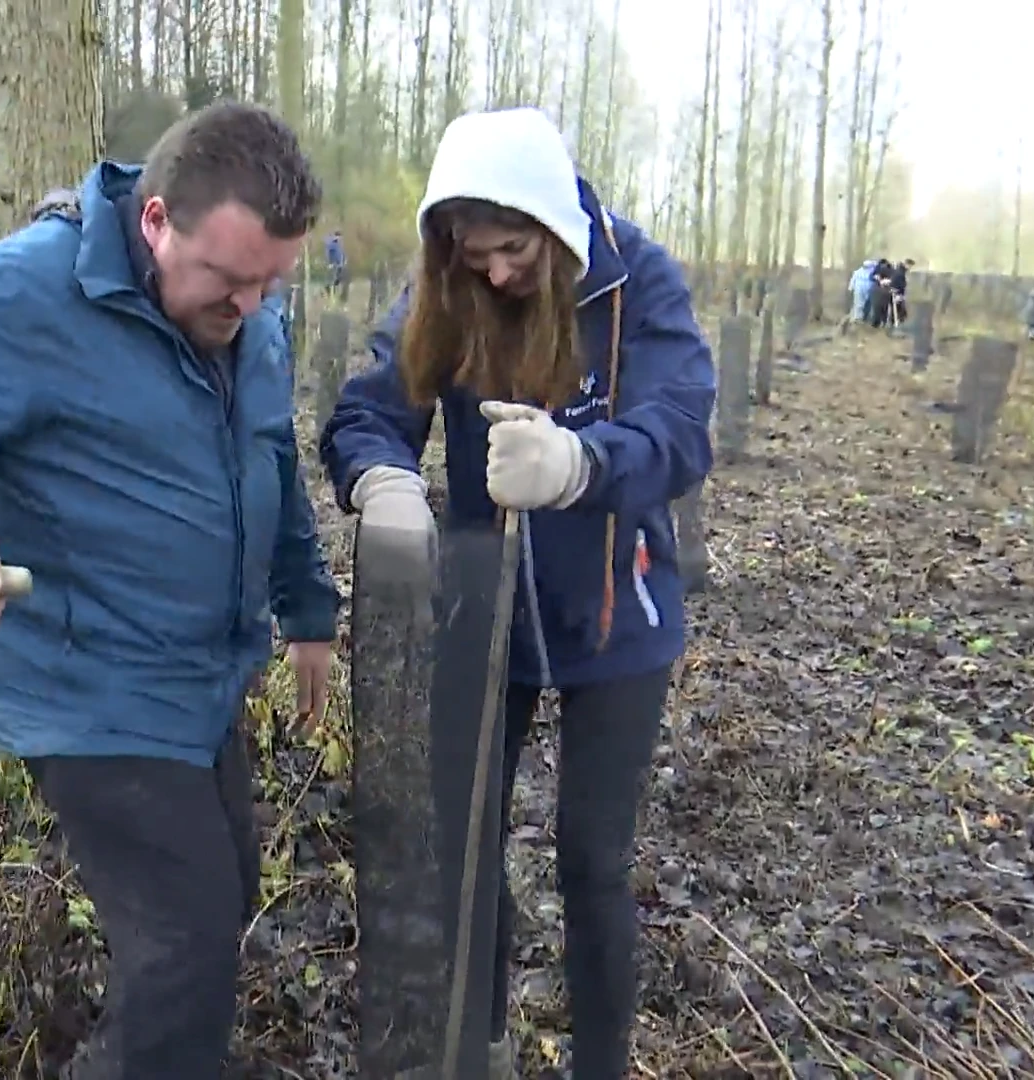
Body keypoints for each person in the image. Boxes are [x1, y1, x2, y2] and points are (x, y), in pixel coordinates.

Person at [0, 102, 340, 1079]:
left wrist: (306, 605)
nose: (254, 309)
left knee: (217, 904)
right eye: (230, 281)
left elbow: (271, 462)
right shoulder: (22, 299)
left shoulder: (248, 306)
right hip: (89, 687)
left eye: (274, 282)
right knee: (185, 949)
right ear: (155, 220)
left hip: (201, 681)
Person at [321, 106, 716, 1080]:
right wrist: (384, 482)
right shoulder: (452, 293)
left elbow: (681, 425)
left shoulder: (635, 281)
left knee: (592, 861)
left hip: (619, 621)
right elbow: (370, 408)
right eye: (472, 251)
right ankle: (479, 1040)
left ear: (554, 224)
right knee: (463, 847)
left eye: (513, 249)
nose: (496, 273)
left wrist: (581, 464)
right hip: (479, 609)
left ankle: (600, 1062)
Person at [847, 259, 877, 326]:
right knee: (858, 303)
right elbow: (853, 280)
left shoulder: (871, 272)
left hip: (868, 290)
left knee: (866, 304)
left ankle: (864, 317)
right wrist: (851, 288)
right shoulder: (857, 272)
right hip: (859, 289)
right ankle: (857, 317)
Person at [325, 228, 347, 294]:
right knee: (334, 277)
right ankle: (329, 289)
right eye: (339, 237)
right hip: (334, 264)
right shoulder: (332, 244)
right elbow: (328, 252)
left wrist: (344, 260)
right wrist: (329, 263)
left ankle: (333, 289)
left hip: (340, 264)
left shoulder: (340, 244)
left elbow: (342, 253)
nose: (340, 239)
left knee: (339, 278)